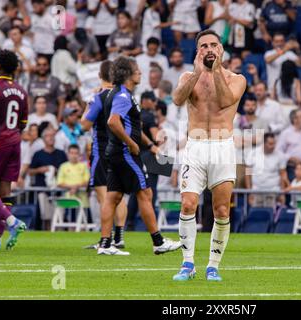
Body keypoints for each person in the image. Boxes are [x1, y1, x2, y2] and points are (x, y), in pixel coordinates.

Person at [171, 29, 246, 281]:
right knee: (187, 204)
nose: (209, 49)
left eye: (214, 45)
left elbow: (225, 101)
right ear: (198, 50)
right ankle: (187, 263)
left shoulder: (236, 79)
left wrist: (214, 71)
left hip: (223, 146)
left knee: (222, 209)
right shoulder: (188, 76)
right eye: (204, 46)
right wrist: (196, 72)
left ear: (221, 49)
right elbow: (177, 99)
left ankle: (213, 265)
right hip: (196, 145)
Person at [98, 56, 181, 256]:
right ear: (127, 74)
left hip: (115, 152)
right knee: (145, 193)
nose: (140, 73)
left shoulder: (118, 93)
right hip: (125, 153)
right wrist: (132, 143)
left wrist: (150, 146)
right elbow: (113, 122)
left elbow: (134, 127)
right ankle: (158, 242)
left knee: (113, 197)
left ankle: (105, 243)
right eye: (137, 69)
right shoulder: (123, 96)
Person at [81, 60, 128, 249]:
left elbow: (84, 124)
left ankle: (105, 239)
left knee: (104, 197)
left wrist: (86, 106)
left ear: (100, 76)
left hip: (101, 150)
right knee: (118, 196)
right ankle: (119, 236)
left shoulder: (98, 97)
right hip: (120, 150)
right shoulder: (123, 95)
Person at [0, 50, 29, 252]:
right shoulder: (21, 90)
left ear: (0, 65)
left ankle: (11, 221)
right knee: (5, 192)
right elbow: (23, 122)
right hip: (15, 142)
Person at [245, 133, 288, 208]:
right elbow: (248, 174)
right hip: (256, 191)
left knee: (270, 215)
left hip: (273, 191)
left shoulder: (280, 155)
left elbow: (282, 175)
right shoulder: (253, 153)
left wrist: (282, 194)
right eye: (270, 144)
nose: (273, 146)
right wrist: (249, 192)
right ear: (264, 143)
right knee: (256, 215)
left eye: (274, 143)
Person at [28, 56, 67, 122]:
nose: (42, 67)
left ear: (48, 66)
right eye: (39, 65)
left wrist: (57, 121)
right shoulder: (31, 82)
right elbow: (29, 102)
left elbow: (62, 103)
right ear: (36, 66)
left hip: (50, 120)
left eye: (44, 65)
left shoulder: (55, 81)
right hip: (33, 120)